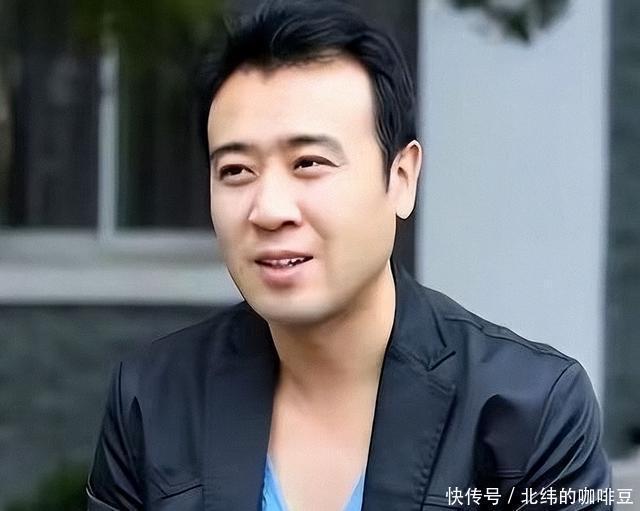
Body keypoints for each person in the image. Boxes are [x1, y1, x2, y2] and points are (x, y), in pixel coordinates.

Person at [86, 1, 611, 509]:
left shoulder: (530, 412)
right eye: (236, 171)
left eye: (309, 163)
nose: (268, 210)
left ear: (401, 179)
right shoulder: (152, 401)